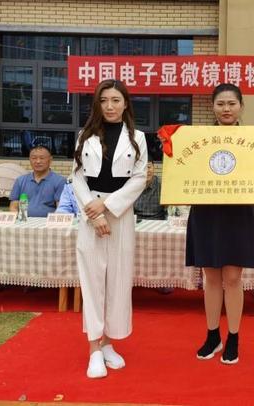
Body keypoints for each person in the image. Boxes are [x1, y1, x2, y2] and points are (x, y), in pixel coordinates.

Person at [71, 79, 147, 379]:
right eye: (104, 101)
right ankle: (93, 349)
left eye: (115, 100)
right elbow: (77, 178)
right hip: (91, 213)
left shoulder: (138, 137)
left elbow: (139, 179)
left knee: (118, 280)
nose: (110, 106)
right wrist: (94, 212)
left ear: (125, 103)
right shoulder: (84, 136)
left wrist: (108, 206)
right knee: (92, 281)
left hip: (120, 213)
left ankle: (107, 343)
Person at [187, 83, 254, 365]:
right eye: (220, 104)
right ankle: (212, 335)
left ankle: (234, 337)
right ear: (212, 107)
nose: (226, 109)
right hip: (206, 211)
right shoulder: (198, 140)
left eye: (231, 103)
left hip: (238, 213)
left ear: (241, 106)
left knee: (233, 277)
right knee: (211, 277)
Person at [9, 145, 65, 217]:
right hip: (24, 220)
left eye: (42, 158)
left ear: (50, 160)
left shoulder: (60, 181)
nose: (38, 161)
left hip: (47, 222)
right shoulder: (20, 180)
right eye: (34, 158)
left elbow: (61, 209)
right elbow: (13, 207)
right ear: (29, 160)